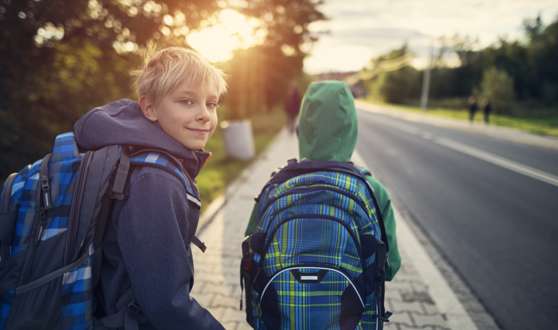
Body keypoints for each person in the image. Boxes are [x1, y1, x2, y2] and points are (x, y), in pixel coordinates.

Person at [77, 47, 227, 329]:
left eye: (212, 103)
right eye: (187, 101)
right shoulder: (155, 180)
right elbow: (165, 303)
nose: (205, 115)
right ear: (149, 108)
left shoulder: (144, 161)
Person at [242, 81, 401, 329]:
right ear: (351, 130)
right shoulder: (372, 191)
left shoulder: (275, 187)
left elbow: (252, 257)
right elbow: (389, 267)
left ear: (302, 128)